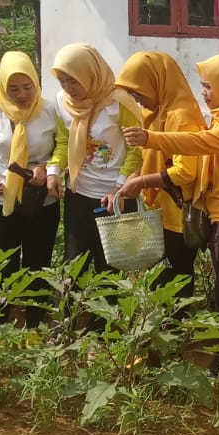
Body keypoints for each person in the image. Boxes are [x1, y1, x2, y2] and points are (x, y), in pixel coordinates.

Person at [124, 54, 219, 322]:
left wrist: (151, 139)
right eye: (202, 85)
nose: (203, 93)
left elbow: (200, 143)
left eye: (209, 86)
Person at [110, 51, 207, 300]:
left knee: (176, 279)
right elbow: (144, 157)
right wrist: (126, 184)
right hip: (159, 212)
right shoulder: (154, 114)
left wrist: (141, 182)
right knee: (160, 280)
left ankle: (178, 331)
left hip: (178, 215)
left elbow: (185, 171)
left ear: (156, 82)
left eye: (139, 92)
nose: (137, 100)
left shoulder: (181, 115)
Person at [0, 51, 63, 305]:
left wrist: (48, 168)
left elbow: (63, 149)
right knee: (3, 265)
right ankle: (3, 324)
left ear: (36, 83)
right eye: (13, 89)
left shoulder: (51, 111)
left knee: (38, 263)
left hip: (41, 202)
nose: (22, 95)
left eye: (27, 87)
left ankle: (36, 323)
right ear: (2, 87)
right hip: (0, 202)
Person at [51, 44, 142, 272]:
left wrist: (119, 188)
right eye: (62, 81)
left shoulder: (119, 103)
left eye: (74, 81)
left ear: (91, 74)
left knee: (111, 266)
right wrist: (53, 170)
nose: (68, 88)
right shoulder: (62, 103)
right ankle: (73, 309)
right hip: (78, 194)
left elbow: (137, 149)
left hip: (115, 198)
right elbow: (64, 143)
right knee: (73, 266)